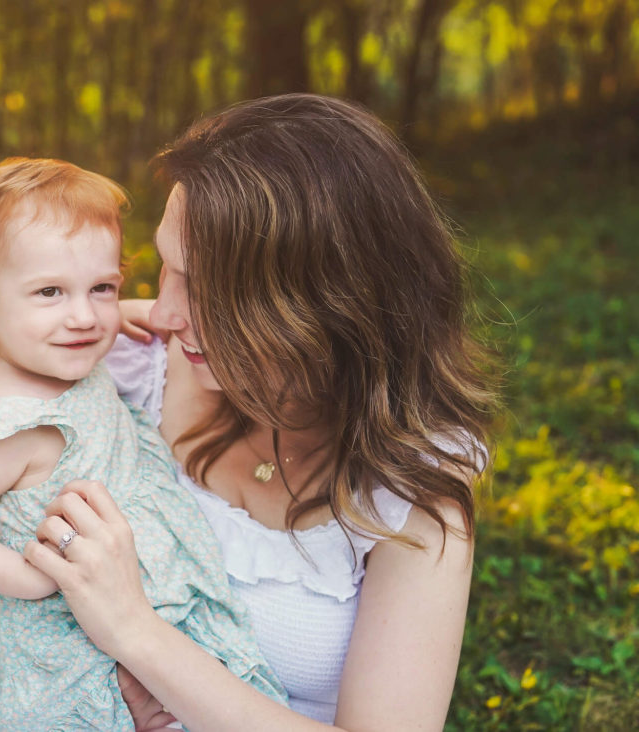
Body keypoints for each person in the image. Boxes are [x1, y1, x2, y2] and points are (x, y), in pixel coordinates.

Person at [25, 94, 496, 731]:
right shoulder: (137, 363)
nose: (162, 311)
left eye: (202, 286)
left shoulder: (413, 485)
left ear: (318, 306)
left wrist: (132, 630)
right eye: (165, 268)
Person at [0, 157, 285, 731]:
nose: (82, 317)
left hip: (112, 590)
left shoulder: (51, 351)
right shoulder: (13, 424)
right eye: (50, 291)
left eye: (101, 287)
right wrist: (32, 580)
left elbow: (80, 313)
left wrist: (120, 312)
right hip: (61, 625)